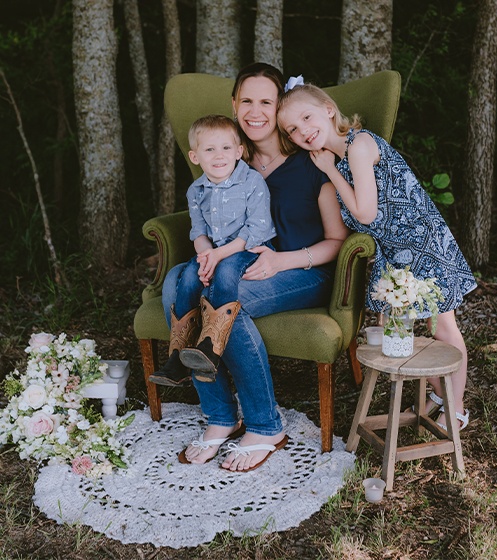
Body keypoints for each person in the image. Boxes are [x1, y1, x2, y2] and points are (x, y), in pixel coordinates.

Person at [161, 63, 350, 472]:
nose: (255, 111)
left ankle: (265, 425)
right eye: (246, 100)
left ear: (280, 106)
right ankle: (221, 415)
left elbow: (338, 241)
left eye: (266, 101)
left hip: (304, 270)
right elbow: (206, 219)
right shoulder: (228, 158)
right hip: (241, 264)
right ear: (234, 104)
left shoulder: (312, 161)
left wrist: (283, 259)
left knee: (227, 299)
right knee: (176, 282)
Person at [277, 80, 477, 431]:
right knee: (402, 333)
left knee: (443, 325)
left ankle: (458, 408)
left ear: (327, 109)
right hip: (395, 253)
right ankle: (441, 394)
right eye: (292, 129)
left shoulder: (358, 145)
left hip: (421, 242)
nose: (302, 131)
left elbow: (366, 213)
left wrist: (327, 172)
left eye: (307, 117)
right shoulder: (338, 162)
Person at [149, 114, 275, 387]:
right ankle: (176, 358)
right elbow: (199, 233)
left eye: (226, 148)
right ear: (195, 157)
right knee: (189, 277)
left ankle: (211, 348)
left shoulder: (252, 182)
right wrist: (206, 256)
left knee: (227, 271)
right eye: (209, 149)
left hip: (248, 249)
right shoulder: (196, 190)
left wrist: (218, 256)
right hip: (214, 251)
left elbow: (255, 230)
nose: (219, 156)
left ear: (239, 151)